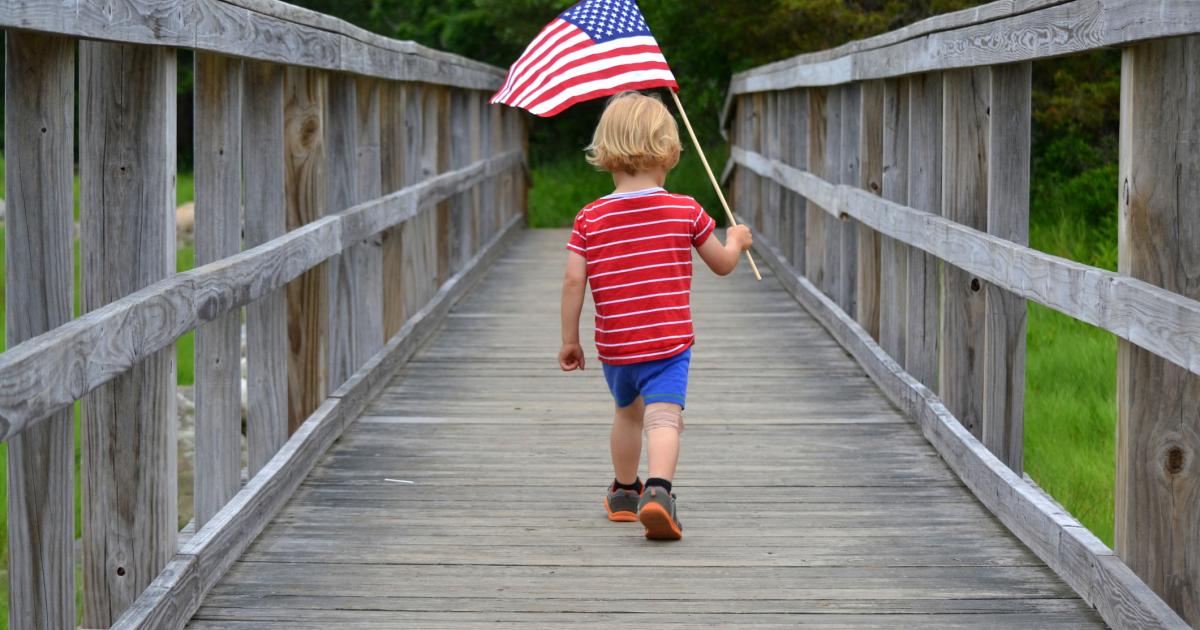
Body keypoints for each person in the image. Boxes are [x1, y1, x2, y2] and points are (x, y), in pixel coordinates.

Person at [558, 91, 754, 541]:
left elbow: (573, 283)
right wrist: (737, 241)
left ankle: (626, 492)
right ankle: (659, 492)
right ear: (669, 151)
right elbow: (721, 265)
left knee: (627, 414)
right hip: (668, 343)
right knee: (663, 418)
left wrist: (570, 339)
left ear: (604, 153)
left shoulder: (589, 218)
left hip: (617, 347)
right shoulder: (685, 209)